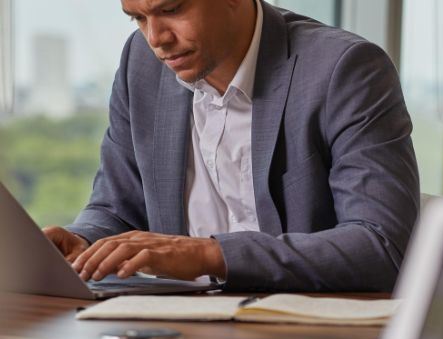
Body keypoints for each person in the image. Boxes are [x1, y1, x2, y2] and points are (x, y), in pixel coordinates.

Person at [43, 0, 419, 293]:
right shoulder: (140, 64)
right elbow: (118, 208)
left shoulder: (344, 69)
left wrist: (209, 254)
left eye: (171, 9)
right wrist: (83, 241)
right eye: (137, 18)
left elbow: (380, 246)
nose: (156, 38)